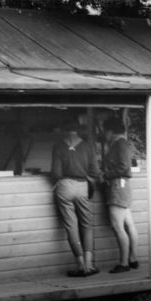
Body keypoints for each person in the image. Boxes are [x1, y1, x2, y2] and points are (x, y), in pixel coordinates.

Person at [51, 119, 101, 277]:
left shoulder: (58, 146)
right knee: (87, 225)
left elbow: (56, 173)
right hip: (82, 186)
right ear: (78, 131)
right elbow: (94, 171)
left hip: (64, 186)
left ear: (65, 131)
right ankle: (89, 264)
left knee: (71, 226)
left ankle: (80, 265)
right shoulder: (87, 146)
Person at [101, 117, 139, 274]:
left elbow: (124, 167)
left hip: (118, 185)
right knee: (129, 224)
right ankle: (133, 259)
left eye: (105, 131)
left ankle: (124, 263)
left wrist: (106, 175)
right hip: (122, 186)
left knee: (118, 226)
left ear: (110, 131)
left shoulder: (120, 144)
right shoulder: (124, 143)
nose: (104, 134)